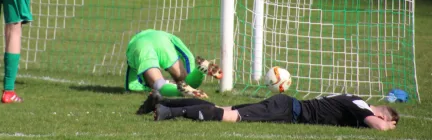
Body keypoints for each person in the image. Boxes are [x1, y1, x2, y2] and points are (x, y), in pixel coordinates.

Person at [145, 92, 398, 131]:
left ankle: (163, 102)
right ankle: (168, 111)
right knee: (229, 116)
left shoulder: (354, 99)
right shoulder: (360, 105)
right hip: (287, 110)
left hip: (286, 105)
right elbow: (378, 126)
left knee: (222, 109)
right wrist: (387, 126)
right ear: (383, 114)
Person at [126, 29, 223, 103]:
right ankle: (200, 71)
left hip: (141, 47)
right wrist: (189, 75)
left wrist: (150, 87)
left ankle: (183, 91)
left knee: (159, 85)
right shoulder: (164, 34)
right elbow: (187, 55)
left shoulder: (133, 46)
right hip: (162, 41)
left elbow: (131, 86)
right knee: (184, 81)